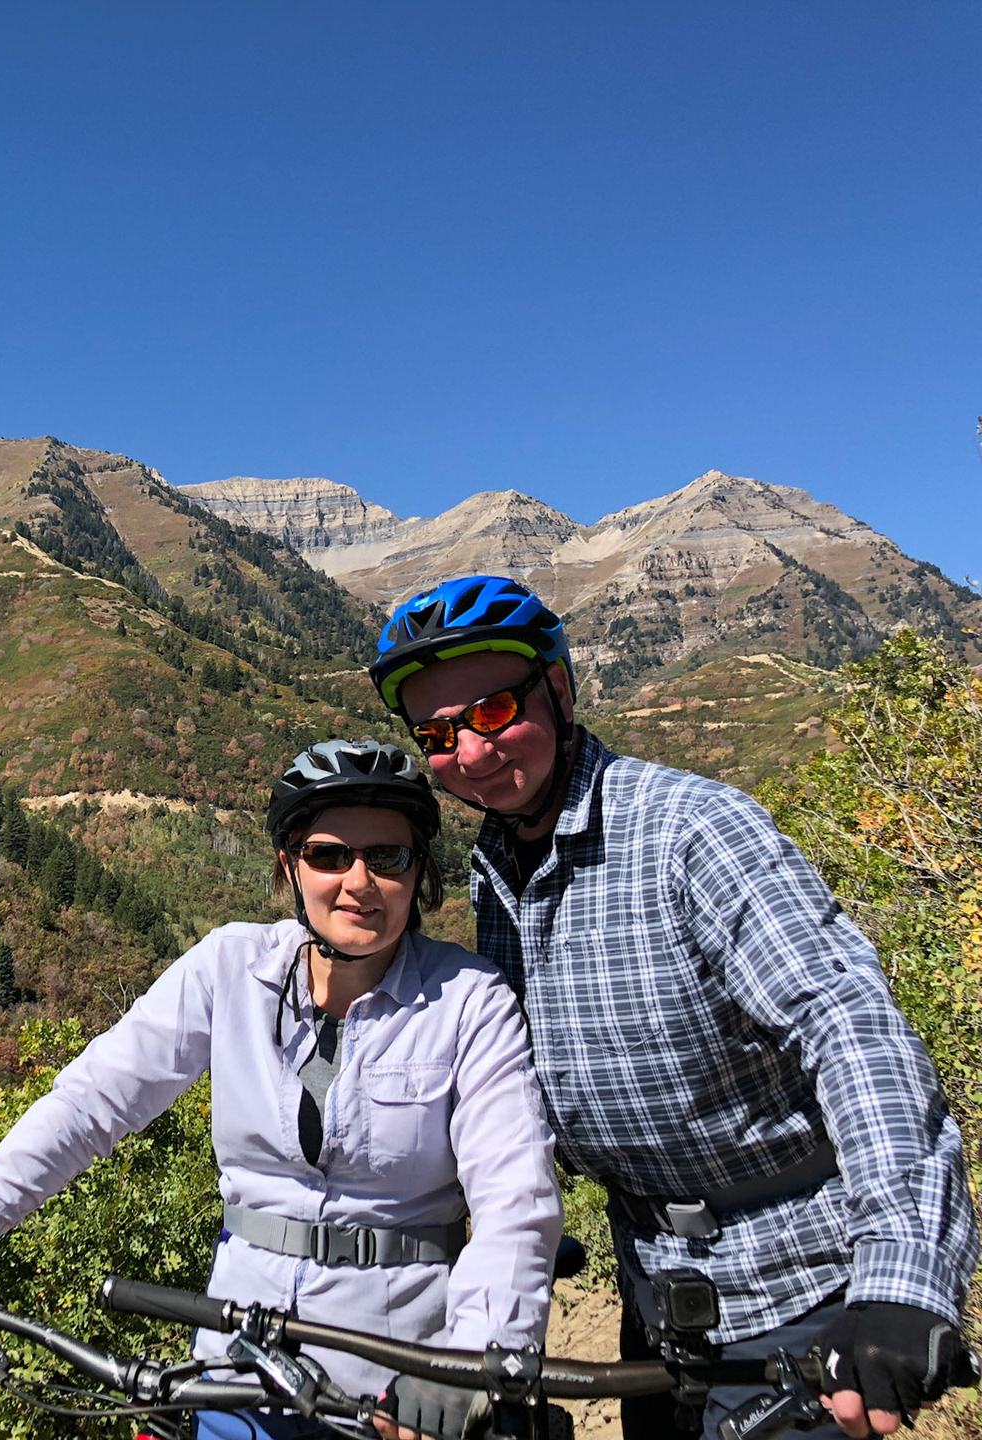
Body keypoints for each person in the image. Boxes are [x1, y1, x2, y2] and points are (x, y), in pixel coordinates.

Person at [370, 575, 979, 1440]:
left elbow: (851, 1027)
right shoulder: (495, 872)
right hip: (656, 1300)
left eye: (495, 710)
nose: (468, 753)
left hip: (804, 1294)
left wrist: (900, 1282)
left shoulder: (692, 832)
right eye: (436, 732)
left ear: (561, 689)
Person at [0, 739, 562, 1440]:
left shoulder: (468, 1001)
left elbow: (516, 1198)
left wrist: (467, 1363)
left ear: (419, 874)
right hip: (235, 1373)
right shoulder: (230, 967)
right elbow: (90, 1103)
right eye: (329, 856)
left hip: (397, 1390)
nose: (358, 881)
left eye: (387, 858)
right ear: (288, 867)